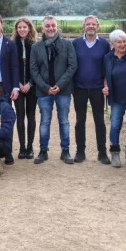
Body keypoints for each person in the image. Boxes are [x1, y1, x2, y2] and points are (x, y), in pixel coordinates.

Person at [30, 16, 78, 165]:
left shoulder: (67, 45)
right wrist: (45, 87)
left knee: (64, 121)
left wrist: (60, 85)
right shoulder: (36, 47)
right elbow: (33, 69)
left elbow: (72, 66)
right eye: (47, 26)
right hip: (44, 91)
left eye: (53, 25)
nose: (50, 28)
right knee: (45, 121)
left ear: (56, 27)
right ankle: (43, 151)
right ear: (42, 28)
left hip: (62, 90)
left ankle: (65, 151)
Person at [72, 15, 111, 164]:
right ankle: (80, 151)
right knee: (80, 121)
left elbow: (107, 67)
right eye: (88, 24)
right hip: (79, 88)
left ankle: (102, 152)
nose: (90, 26)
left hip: (97, 89)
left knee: (99, 121)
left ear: (97, 26)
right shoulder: (75, 43)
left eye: (93, 24)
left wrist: (106, 85)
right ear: (84, 26)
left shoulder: (104, 44)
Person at [103, 29, 126, 167]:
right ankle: (115, 153)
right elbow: (104, 76)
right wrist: (105, 86)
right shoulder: (107, 58)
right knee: (115, 125)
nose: (123, 44)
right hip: (117, 97)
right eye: (119, 42)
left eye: (124, 41)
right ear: (112, 43)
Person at [12, 17, 38, 159]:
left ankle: (30, 147)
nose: (22, 29)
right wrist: (18, 84)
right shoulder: (11, 45)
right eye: (19, 27)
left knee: (31, 116)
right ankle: (22, 147)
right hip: (18, 87)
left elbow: (38, 67)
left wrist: (30, 83)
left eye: (24, 27)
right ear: (16, 29)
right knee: (20, 116)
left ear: (29, 28)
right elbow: (11, 67)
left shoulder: (35, 44)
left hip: (31, 86)